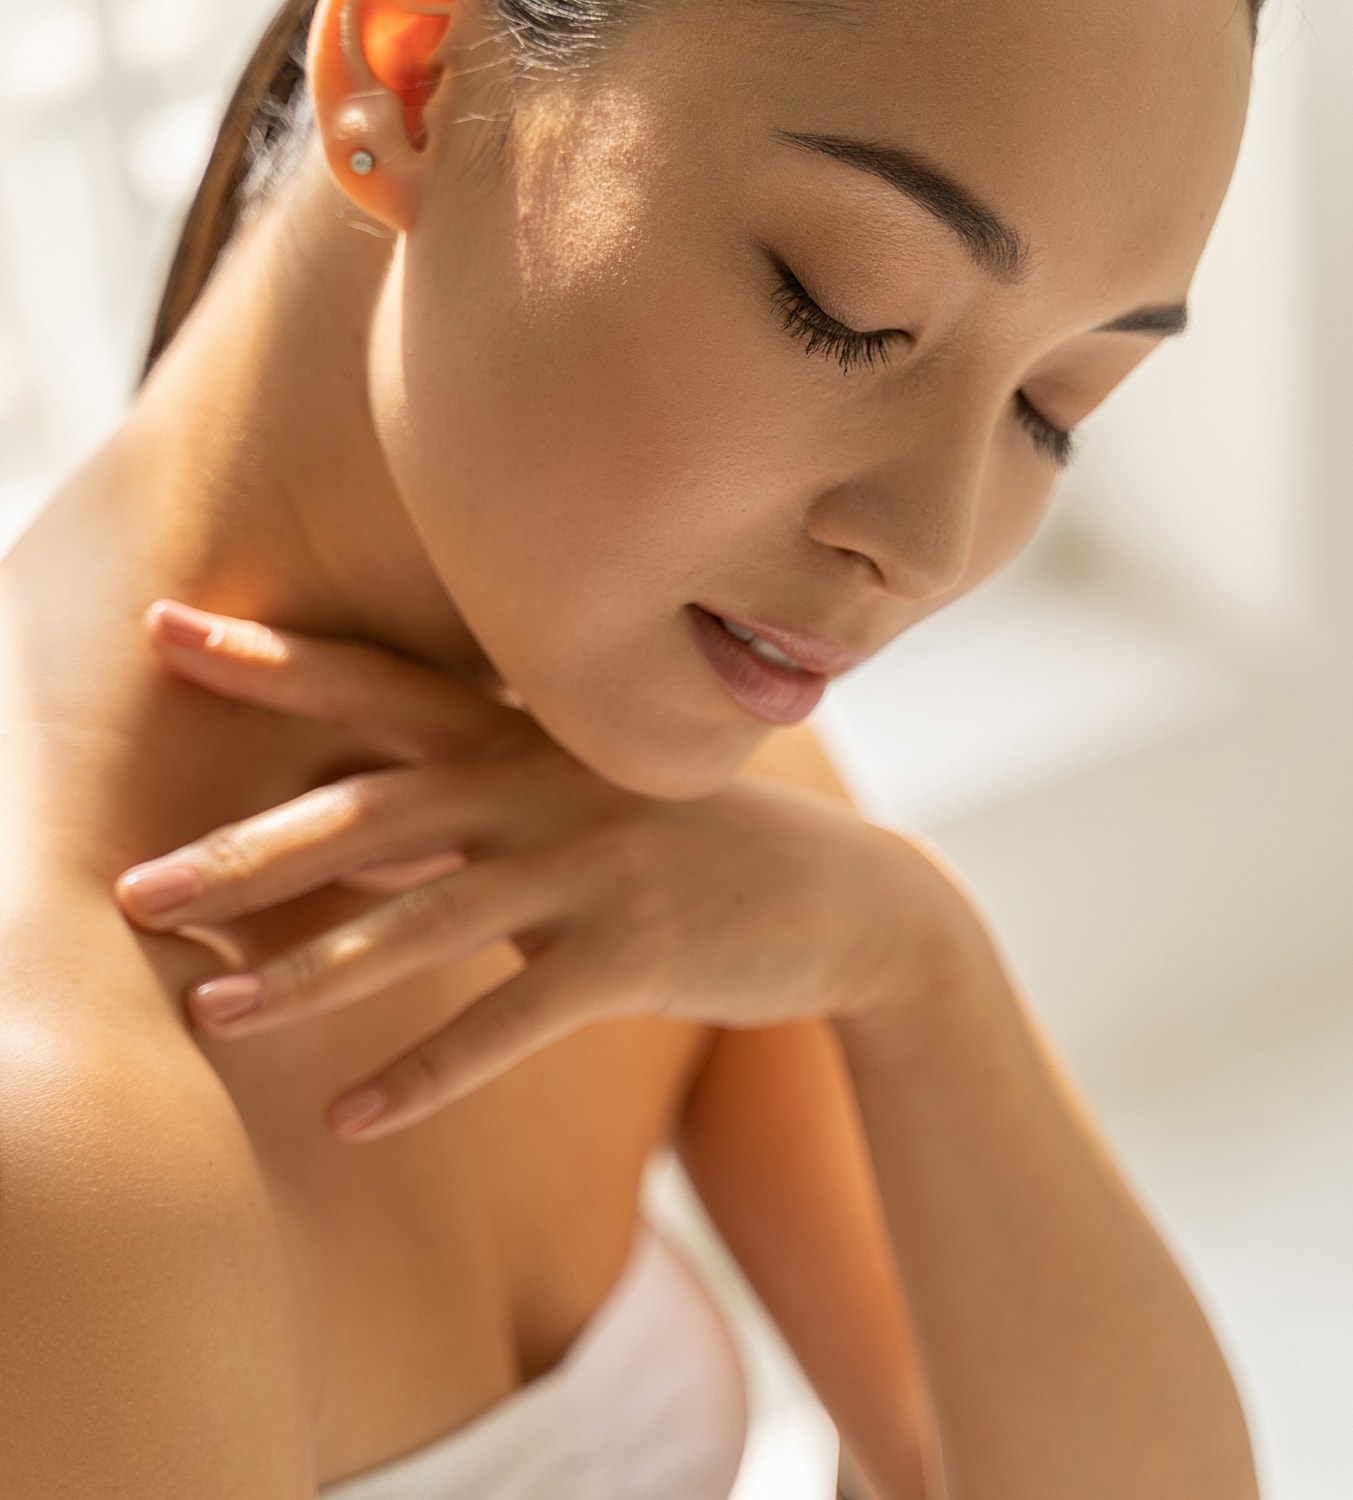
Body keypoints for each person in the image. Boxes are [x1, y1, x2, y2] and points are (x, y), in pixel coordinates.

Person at [0, 0, 1265, 1495]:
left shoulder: (667, 804)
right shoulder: (58, 1138)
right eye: (843, 305)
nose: (927, 547)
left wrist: (919, 967)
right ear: (414, 65)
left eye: (1055, 407)